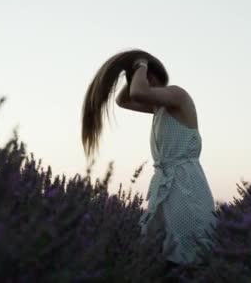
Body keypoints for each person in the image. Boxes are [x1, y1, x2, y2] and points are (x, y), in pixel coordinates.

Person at [81, 50, 217, 268]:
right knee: (161, 253)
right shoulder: (160, 107)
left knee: (193, 252)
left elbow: (137, 92)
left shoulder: (177, 95)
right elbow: (122, 100)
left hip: (186, 185)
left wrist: (142, 64)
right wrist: (135, 68)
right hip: (167, 186)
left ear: (151, 76)